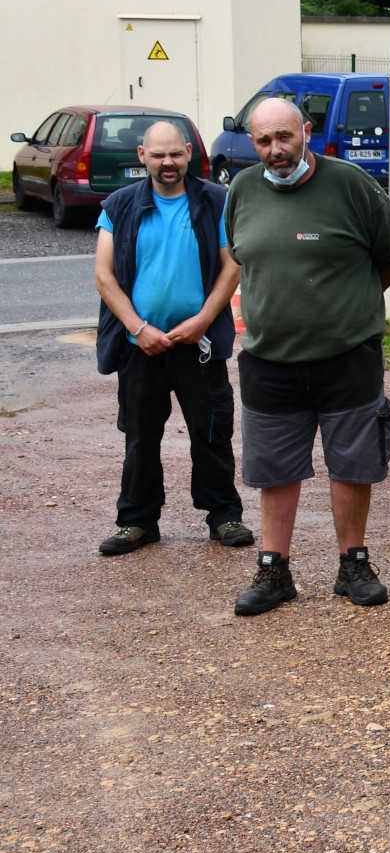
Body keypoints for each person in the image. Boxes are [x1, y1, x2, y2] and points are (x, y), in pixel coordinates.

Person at [223, 98, 390, 616]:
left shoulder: (350, 183)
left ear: (306, 131)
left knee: (353, 464)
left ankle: (353, 563)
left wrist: (351, 302)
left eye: (285, 137)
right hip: (269, 358)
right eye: (263, 141)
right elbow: (240, 257)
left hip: (347, 356)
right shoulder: (241, 189)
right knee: (273, 469)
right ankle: (274, 571)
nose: (275, 150)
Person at [91, 120, 252, 556]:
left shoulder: (214, 201)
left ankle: (224, 515)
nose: (168, 163)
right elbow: (104, 276)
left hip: (197, 344)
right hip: (140, 345)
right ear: (142, 155)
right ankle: (137, 521)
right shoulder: (120, 205)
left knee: (211, 431)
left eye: (175, 155)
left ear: (188, 154)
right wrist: (137, 329)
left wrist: (203, 320)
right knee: (140, 435)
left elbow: (231, 266)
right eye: (158, 155)